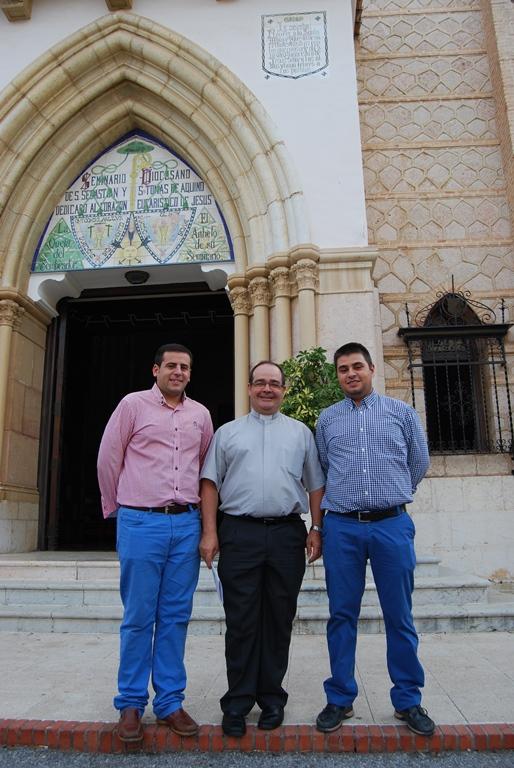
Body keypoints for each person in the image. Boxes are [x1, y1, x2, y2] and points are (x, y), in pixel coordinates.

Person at [314, 342, 435, 737]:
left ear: (371, 369)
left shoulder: (401, 413)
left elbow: (418, 463)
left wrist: (392, 493)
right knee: (341, 615)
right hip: (343, 527)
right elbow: (325, 469)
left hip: (391, 525)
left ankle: (408, 700)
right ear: (338, 375)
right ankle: (340, 698)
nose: (350, 374)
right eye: (343, 369)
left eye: (357, 367)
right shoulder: (327, 420)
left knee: (399, 615)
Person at [200, 361, 325, 737]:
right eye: (260, 383)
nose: (267, 389)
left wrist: (316, 527)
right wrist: (210, 532)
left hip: (287, 534)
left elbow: (315, 484)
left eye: (274, 383)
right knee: (241, 622)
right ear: (250, 388)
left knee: (278, 619)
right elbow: (209, 484)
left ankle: (272, 699)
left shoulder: (301, 433)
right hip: (239, 533)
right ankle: (237, 702)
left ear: (283, 390)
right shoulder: (228, 433)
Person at [97, 343, 213, 742]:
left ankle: (169, 702)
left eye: (185, 367)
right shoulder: (133, 405)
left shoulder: (201, 415)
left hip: (185, 525)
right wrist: (119, 509)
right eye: (171, 366)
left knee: (176, 616)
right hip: (141, 521)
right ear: (155, 370)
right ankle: (130, 702)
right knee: (138, 617)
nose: (178, 372)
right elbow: (108, 458)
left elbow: (204, 468)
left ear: (190, 373)